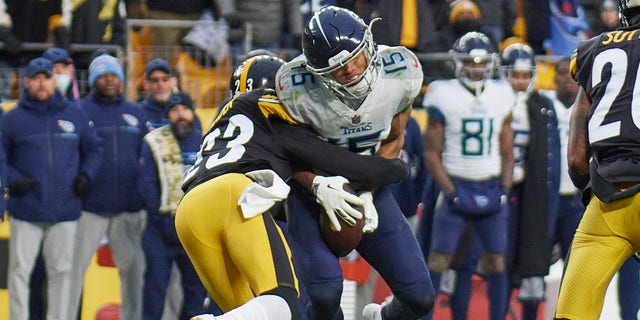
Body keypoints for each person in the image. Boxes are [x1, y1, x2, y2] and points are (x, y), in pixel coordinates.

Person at [179, 54, 409, 320]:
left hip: (189, 213)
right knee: (284, 303)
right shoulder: (272, 112)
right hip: (235, 196)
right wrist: (396, 168)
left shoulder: (223, 118)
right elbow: (348, 164)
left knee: (252, 313)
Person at [276, 6, 435, 319]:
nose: (351, 71)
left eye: (355, 58)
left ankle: (380, 317)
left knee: (420, 298)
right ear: (317, 72)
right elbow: (286, 152)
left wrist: (366, 188)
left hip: (369, 191)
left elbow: (394, 138)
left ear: (369, 45)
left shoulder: (400, 71)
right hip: (313, 196)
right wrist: (318, 185)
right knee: (323, 294)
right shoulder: (296, 89)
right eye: (338, 68)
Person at [555, 1, 640, 318]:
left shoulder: (592, 51)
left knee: (572, 313)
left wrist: (590, 192)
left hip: (608, 203)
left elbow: (577, 157)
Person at [422, 31, 514, 320]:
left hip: (490, 185)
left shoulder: (502, 93)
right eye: (471, 62)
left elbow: (508, 151)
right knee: (438, 261)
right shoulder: (443, 92)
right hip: (456, 183)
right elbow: (430, 153)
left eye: (482, 62)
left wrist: (504, 189)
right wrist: (449, 191)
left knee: (496, 263)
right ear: (459, 63)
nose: (476, 67)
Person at [2, 57, 102, 320]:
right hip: (27, 210)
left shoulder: (74, 113)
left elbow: (93, 149)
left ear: (54, 80)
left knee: (62, 273)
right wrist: (13, 179)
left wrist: (85, 175)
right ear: (26, 82)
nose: (41, 83)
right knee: (19, 272)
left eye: (46, 77)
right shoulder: (12, 119)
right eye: (35, 78)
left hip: (65, 209)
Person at [69, 54, 149, 320]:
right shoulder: (79, 111)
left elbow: (146, 158)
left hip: (128, 210)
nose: (109, 80)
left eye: (113, 75)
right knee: (71, 274)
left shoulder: (136, 113)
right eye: (103, 75)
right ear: (93, 80)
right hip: (89, 209)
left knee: (134, 274)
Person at [499, 42, 560, 320]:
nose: (521, 81)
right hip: (502, 190)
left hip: (533, 193)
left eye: (526, 74)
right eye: (516, 74)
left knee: (533, 259)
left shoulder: (543, 105)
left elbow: (551, 161)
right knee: (499, 261)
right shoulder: (494, 99)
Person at [138, 92, 207, 319]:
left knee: (196, 289)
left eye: (184, 109)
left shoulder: (205, 141)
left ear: (192, 111)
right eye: (174, 111)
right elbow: (146, 185)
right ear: (168, 115)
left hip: (194, 228)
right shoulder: (154, 142)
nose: (180, 115)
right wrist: (162, 220)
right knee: (155, 288)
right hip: (160, 229)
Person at [142, 58, 202, 130]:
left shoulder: (186, 113)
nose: (160, 85)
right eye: (155, 80)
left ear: (173, 82)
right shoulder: (139, 113)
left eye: (165, 79)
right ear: (146, 85)